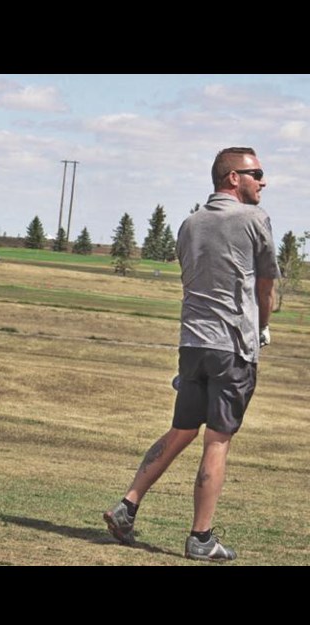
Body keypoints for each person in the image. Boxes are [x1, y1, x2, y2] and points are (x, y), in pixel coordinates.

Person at [103, 147, 279, 561]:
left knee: (183, 429)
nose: (263, 181)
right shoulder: (254, 219)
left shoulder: (189, 223)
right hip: (231, 344)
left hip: (192, 343)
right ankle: (201, 538)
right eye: (256, 173)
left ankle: (126, 507)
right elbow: (266, 284)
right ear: (233, 178)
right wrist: (264, 326)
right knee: (218, 440)